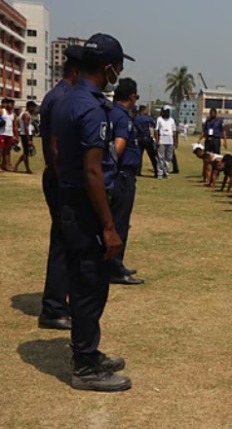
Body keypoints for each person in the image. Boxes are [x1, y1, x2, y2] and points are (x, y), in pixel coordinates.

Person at [51, 33, 134, 391]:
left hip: (71, 201)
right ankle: (85, 365)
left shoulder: (67, 99)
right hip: (86, 208)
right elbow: (92, 170)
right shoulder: (90, 107)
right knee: (89, 284)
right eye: (119, 66)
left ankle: (89, 351)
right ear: (108, 68)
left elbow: (57, 155)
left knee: (86, 280)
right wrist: (108, 225)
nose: (119, 72)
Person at [36, 51, 80, 330]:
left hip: (56, 176)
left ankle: (59, 301)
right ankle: (53, 307)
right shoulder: (64, 98)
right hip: (61, 178)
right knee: (64, 242)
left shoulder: (56, 95)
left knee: (66, 240)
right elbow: (56, 148)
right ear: (76, 71)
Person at [108, 78, 144, 285]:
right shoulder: (122, 117)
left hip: (118, 175)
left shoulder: (111, 112)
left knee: (114, 221)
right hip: (122, 176)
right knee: (119, 223)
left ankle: (113, 264)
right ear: (132, 97)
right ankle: (115, 268)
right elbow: (117, 149)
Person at [13, 101, 37, 173]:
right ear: (30, 107)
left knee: (25, 152)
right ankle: (27, 169)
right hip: (26, 135)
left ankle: (16, 165)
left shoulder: (22, 114)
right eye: (33, 107)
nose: (34, 109)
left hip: (25, 134)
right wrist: (29, 140)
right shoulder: (26, 115)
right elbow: (26, 127)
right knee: (26, 153)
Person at [155, 106, 177, 179]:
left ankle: (166, 172)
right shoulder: (159, 119)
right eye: (165, 111)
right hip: (162, 139)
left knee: (169, 157)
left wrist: (175, 141)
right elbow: (156, 130)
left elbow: (174, 131)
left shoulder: (172, 120)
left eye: (168, 111)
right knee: (161, 157)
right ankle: (160, 173)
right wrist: (157, 140)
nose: (167, 112)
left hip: (170, 139)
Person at [134, 105, 157, 176]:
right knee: (152, 156)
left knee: (139, 156)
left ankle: (137, 171)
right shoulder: (148, 118)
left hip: (139, 138)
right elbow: (154, 124)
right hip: (147, 138)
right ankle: (156, 170)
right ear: (143, 110)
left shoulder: (136, 118)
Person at [0, 98, 16, 171]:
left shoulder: (13, 114)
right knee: (0, 150)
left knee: (7, 151)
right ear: (7, 104)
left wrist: (16, 136)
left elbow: (15, 126)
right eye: (10, 104)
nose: (12, 105)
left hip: (9, 134)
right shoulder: (2, 111)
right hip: (1, 133)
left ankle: (6, 165)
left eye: (13, 104)